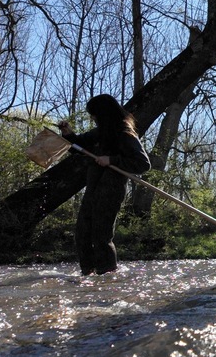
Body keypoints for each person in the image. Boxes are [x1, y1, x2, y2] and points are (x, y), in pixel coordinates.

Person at [58, 94, 152, 276]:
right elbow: (78, 145)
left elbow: (143, 163)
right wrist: (68, 135)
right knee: (82, 233)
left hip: (111, 190)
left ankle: (107, 275)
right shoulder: (99, 132)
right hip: (93, 189)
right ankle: (88, 273)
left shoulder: (125, 134)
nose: (92, 118)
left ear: (103, 113)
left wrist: (111, 159)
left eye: (94, 114)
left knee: (101, 236)